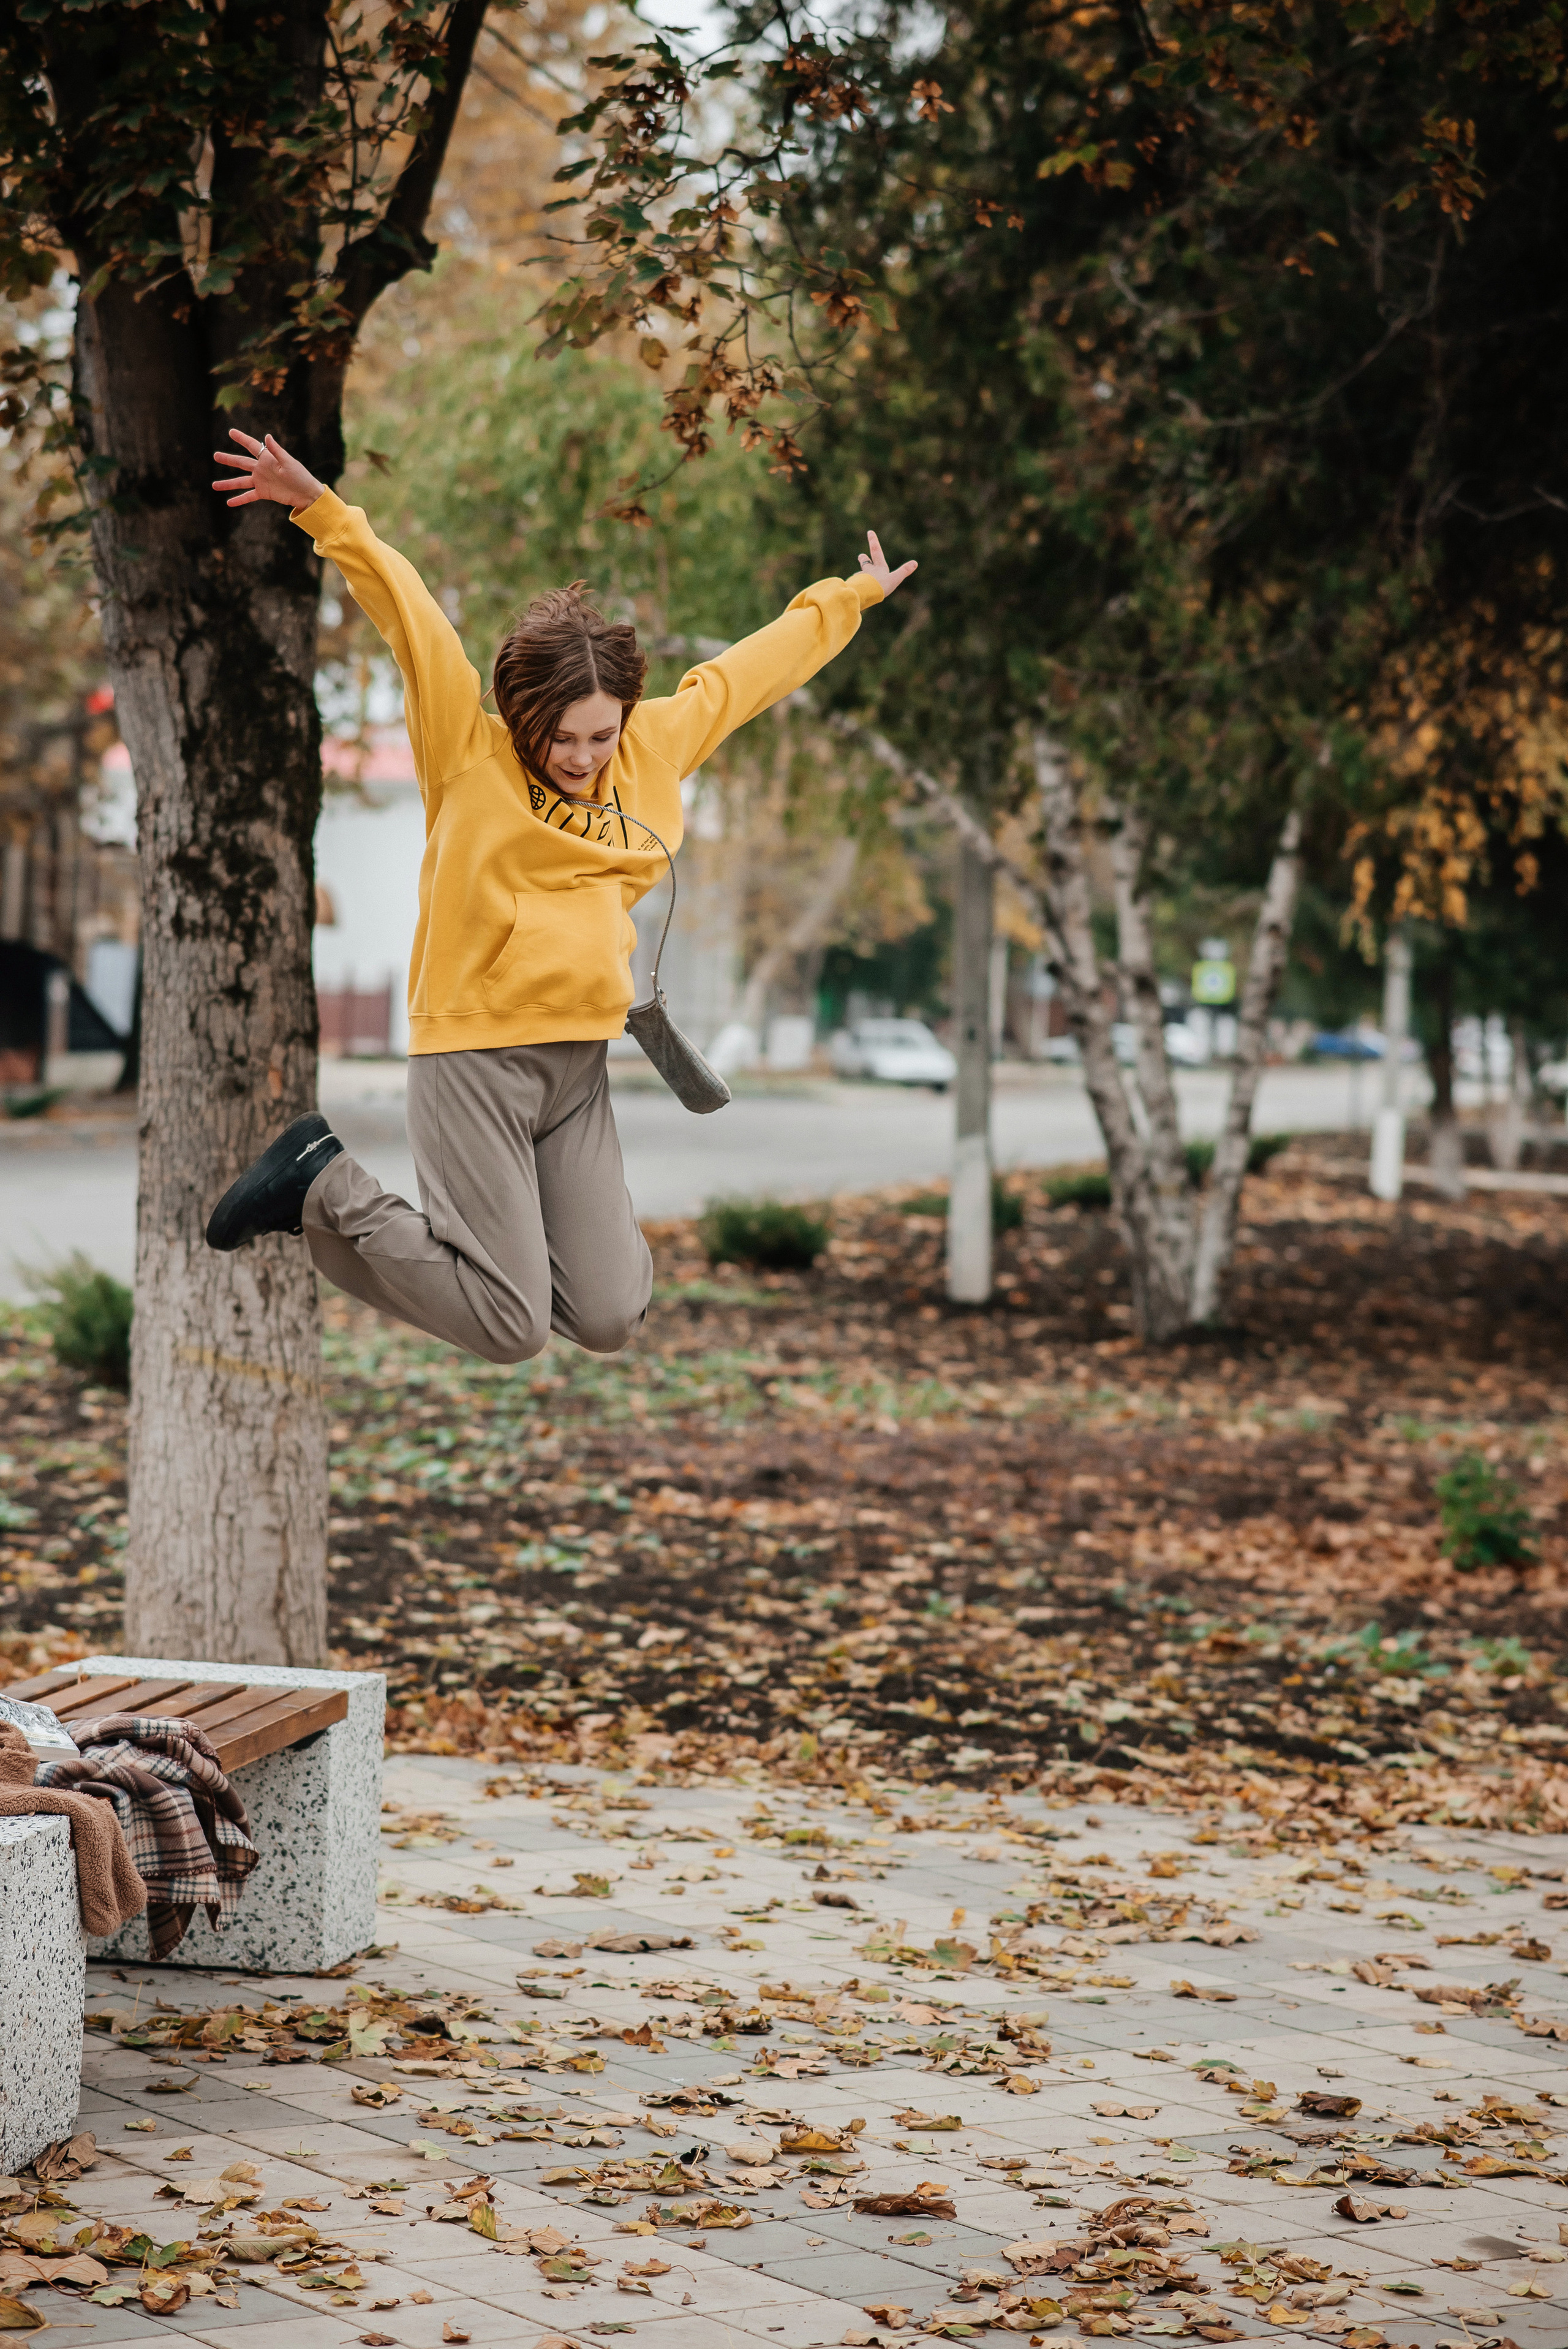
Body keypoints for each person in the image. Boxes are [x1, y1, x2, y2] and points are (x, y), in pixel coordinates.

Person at [203, 428, 916, 1364]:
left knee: (613, 1314)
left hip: (577, 1066)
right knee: (511, 1327)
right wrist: (322, 512)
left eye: (598, 736)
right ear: (522, 717)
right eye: (559, 738)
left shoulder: (652, 750)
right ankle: (320, 1184)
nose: (580, 758)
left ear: (624, 717)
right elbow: (411, 617)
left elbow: (746, 676)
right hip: (475, 1059)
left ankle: (468, 1250)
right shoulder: (468, 753)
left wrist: (850, 598)